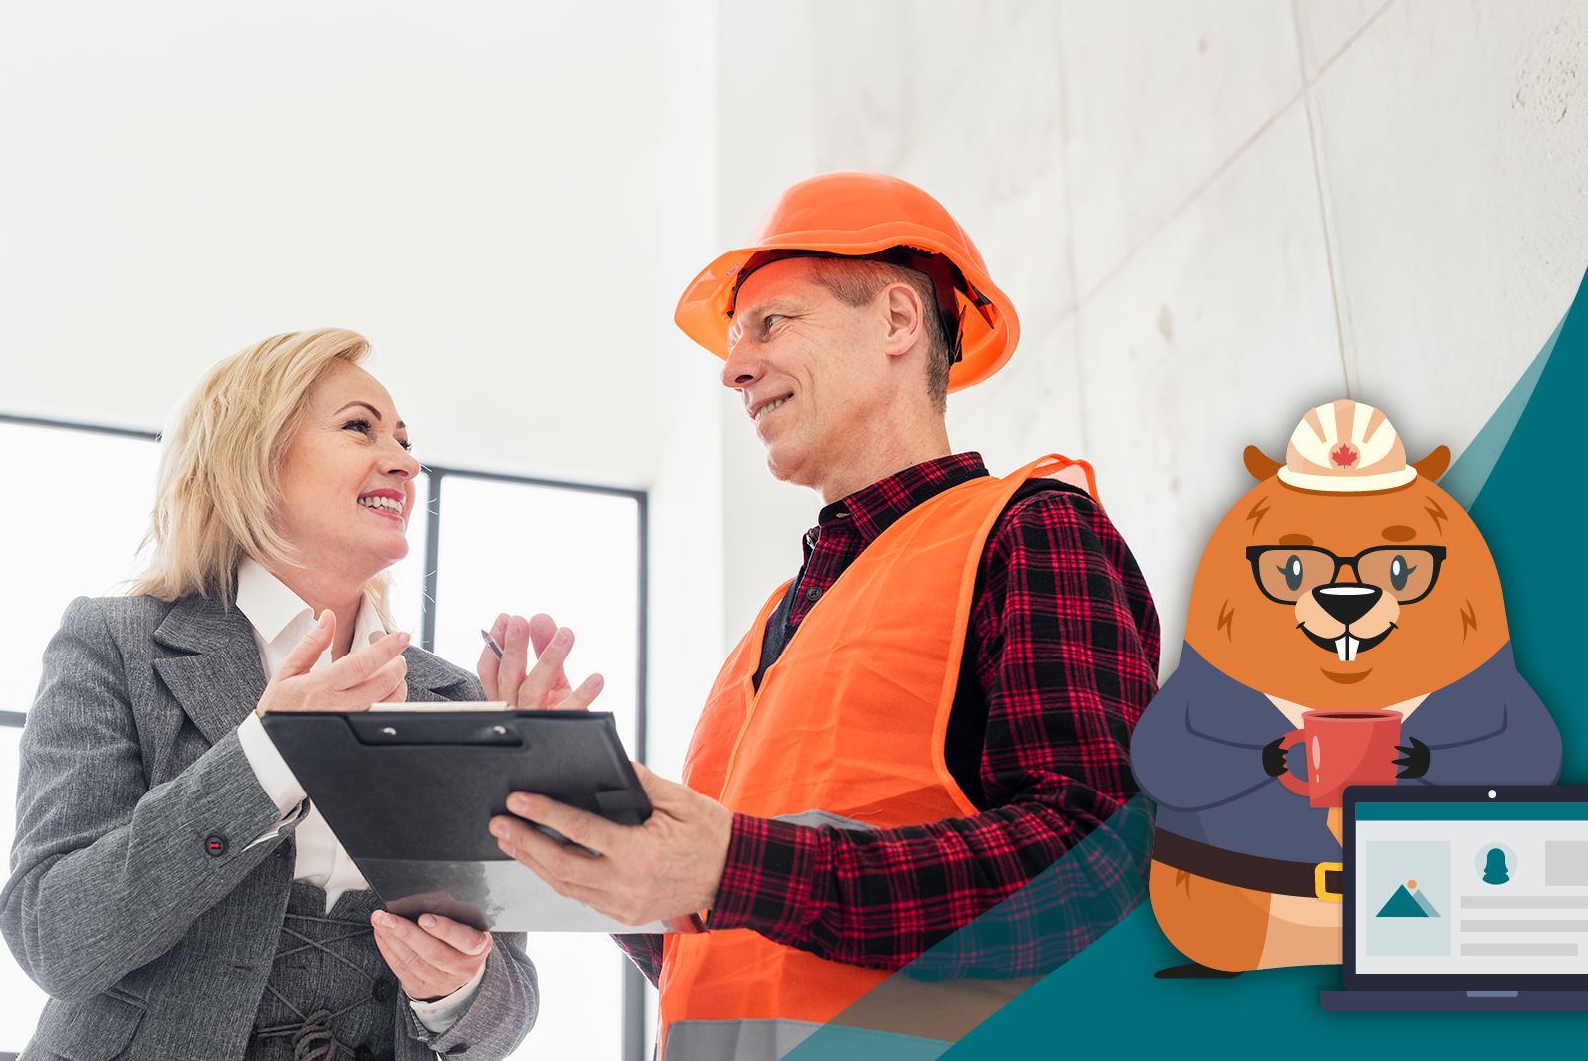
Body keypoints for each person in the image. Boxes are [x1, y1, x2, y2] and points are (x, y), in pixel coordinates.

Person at [486, 172, 1162, 1058]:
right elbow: (744, 957)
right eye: (734, 339)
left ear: (895, 321)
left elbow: (1097, 873)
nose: (733, 369)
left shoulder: (1027, 532)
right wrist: (595, 826)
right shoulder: (772, 630)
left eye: (772, 323)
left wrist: (733, 865)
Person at [0, 329, 594, 1061]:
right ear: (253, 460)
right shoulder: (115, 644)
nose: (406, 463)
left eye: (406, 441)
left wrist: (456, 988)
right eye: (359, 428)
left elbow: (508, 1007)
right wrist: (266, 755)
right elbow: (56, 938)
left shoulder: (452, 697)